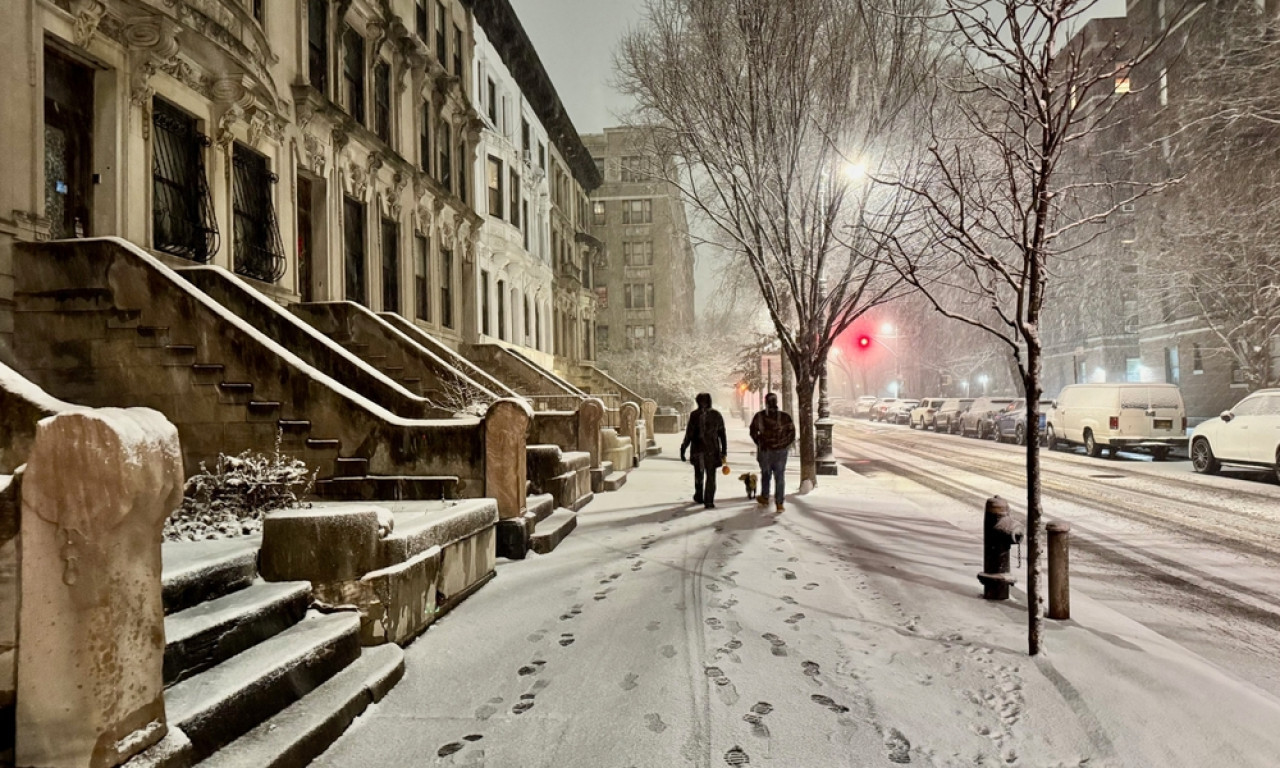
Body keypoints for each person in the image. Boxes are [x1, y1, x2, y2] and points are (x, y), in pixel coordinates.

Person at [679, 392, 727, 508]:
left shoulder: (694, 415)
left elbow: (689, 434)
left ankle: (699, 495)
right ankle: (709, 500)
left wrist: (683, 448)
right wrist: (724, 451)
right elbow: (722, 434)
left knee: (699, 474)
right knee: (711, 476)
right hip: (712, 450)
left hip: (698, 450)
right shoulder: (716, 415)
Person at [750, 392, 795, 513]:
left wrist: (760, 442)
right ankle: (779, 503)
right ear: (776, 402)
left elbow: (753, 432)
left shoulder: (759, 417)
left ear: (766, 402)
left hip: (765, 451)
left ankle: (765, 496)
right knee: (780, 477)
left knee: (766, 474)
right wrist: (783, 444)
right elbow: (792, 434)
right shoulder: (785, 417)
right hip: (780, 452)